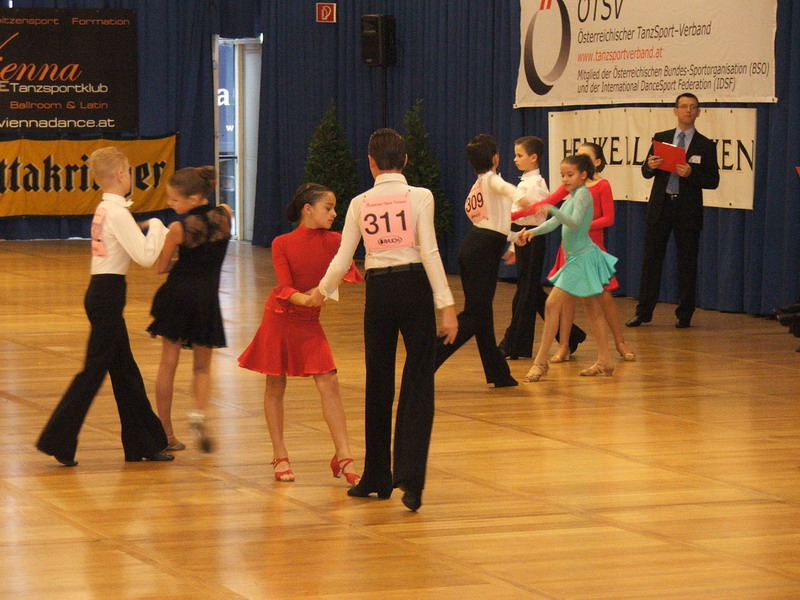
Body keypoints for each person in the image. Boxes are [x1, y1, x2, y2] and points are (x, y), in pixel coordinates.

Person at [309, 128, 458, 512]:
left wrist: (320, 292)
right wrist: (446, 305)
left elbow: (343, 258)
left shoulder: (360, 202)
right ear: (405, 160)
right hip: (414, 288)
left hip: (379, 292)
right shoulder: (420, 196)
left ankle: (376, 476)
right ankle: (411, 481)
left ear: (371, 162)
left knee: (378, 381)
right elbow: (430, 252)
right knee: (419, 380)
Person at [36, 146, 174, 465]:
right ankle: (58, 440)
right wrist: (157, 225)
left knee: (125, 372)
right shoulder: (117, 212)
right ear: (120, 175)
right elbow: (145, 257)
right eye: (129, 171)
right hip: (107, 296)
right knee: (93, 373)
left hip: (104, 293)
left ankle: (143, 443)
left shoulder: (105, 209)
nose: (131, 176)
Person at [238, 183, 362, 485]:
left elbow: (349, 271)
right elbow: (284, 286)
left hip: (309, 320)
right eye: (328, 208)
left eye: (334, 208)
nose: (334, 213)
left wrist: (321, 292)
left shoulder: (336, 240)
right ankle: (280, 455)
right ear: (308, 209)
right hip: (280, 318)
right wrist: (307, 299)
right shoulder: (282, 243)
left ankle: (344, 455)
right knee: (275, 384)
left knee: (329, 381)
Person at [513, 142, 635, 363]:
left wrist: (580, 226)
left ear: (593, 165)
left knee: (601, 298)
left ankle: (619, 344)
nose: (568, 174)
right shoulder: (573, 188)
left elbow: (603, 219)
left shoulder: (597, 187)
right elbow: (548, 207)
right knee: (570, 301)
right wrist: (515, 217)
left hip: (590, 247)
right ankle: (565, 346)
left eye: (583, 159)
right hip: (571, 249)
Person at [146, 166, 232, 453]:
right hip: (207, 299)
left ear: (194, 198)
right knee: (202, 367)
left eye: (174, 199)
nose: (171, 204)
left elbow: (161, 267)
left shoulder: (178, 229)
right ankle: (198, 415)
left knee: (168, 364)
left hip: (178, 297)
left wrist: (181, 262)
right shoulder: (226, 216)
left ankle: (166, 433)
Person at [433, 134, 523, 387]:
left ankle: (498, 373)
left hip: (476, 247)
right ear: (496, 158)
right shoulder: (492, 180)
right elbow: (510, 192)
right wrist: (525, 199)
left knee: (482, 314)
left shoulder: (479, 185)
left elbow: (494, 221)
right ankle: (429, 357)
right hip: (482, 251)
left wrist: (514, 237)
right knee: (475, 315)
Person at [626, 93, 720, 329]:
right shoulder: (662, 138)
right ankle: (643, 312)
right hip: (661, 206)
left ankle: (685, 314)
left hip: (687, 210)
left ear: (698, 112)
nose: (688, 110)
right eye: (684, 106)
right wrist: (650, 166)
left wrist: (692, 173)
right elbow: (645, 171)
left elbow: (713, 180)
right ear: (675, 110)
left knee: (687, 262)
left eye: (693, 107)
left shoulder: (706, 145)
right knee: (651, 260)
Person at [497, 135, 586, 360]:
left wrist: (519, 233)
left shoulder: (535, 185)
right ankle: (571, 336)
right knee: (531, 292)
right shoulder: (526, 183)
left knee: (525, 294)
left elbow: (537, 216)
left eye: (520, 155)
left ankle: (512, 343)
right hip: (524, 238)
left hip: (532, 239)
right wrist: (514, 244)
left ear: (533, 157)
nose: (515, 159)